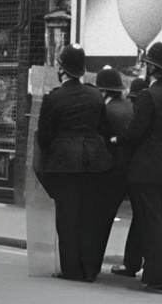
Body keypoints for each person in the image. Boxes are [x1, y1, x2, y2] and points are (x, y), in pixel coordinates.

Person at [114, 42, 162, 294]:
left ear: (152, 68)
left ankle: (156, 276)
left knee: (153, 222)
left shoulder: (148, 95)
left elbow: (136, 131)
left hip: (148, 168)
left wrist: (117, 139)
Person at [35, 44, 112, 282]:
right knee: (89, 216)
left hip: (64, 163)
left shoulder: (53, 99)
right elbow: (102, 127)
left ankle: (72, 270)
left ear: (61, 68)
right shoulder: (95, 95)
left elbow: (45, 135)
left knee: (67, 217)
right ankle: (89, 269)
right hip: (94, 162)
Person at [92, 66, 132, 271]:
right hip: (131, 171)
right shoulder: (130, 106)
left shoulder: (106, 110)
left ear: (104, 91)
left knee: (101, 219)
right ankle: (132, 263)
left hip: (110, 171)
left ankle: (92, 263)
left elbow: (100, 141)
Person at [110, 77, 149, 278]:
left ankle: (132, 263)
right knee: (142, 218)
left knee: (141, 218)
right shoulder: (141, 111)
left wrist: (116, 140)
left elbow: (131, 136)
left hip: (136, 172)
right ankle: (135, 263)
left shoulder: (140, 114)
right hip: (141, 172)